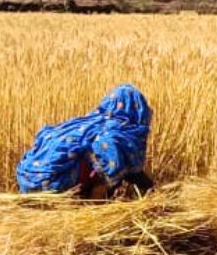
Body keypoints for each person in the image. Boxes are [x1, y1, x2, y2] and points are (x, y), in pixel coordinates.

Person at [15, 84, 155, 199]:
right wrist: (151, 190)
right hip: (55, 184)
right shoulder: (117, 134)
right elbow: (124, 170)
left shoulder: (84, 123)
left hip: (26, 181)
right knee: (106, 165)